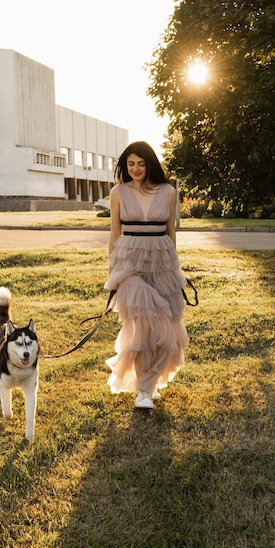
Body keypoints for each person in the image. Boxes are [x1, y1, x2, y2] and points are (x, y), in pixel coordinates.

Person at [105, 141, 188, 409]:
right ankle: (142, 391)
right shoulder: (118, 192)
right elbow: (114, 233)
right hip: (129, 263)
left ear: (150, 163)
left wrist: (173, 270)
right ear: (124, 165)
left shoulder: (168, 191)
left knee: (167, 327)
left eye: (141, 163)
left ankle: (149, 385)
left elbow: (171, 234)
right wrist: (111, 270)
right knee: (142, 325)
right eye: (131, 164)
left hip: (162, 263)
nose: (136, 168)